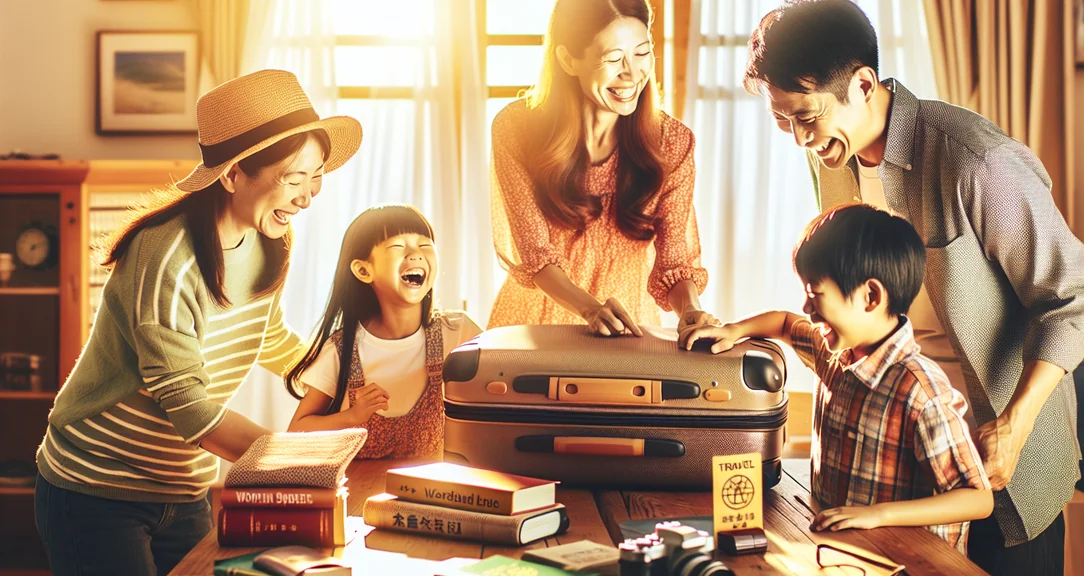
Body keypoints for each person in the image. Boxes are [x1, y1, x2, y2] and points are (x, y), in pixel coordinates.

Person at [742, 1, 1084, 573]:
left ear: (863, 84)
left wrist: (1015, 423)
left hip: (997, 453)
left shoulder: (977, 161)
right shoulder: (830, 154)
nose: (799, 140)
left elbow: (1073, 300)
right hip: (894, 450)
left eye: (805, 117)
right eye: (784, 120)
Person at [33, 69, 362, 576]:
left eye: (315, 176)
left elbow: (268, 336)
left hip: (183, 486)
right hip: (96, 488)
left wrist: (345, 376)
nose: (307, 197)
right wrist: (295, 462)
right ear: (232, 175)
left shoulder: (270, 238)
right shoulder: (166, 257)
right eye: (294, 179)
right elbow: (190, 407)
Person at [682, 204, 992, 553]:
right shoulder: (832, 351)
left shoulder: (921, 391)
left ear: (870, 296)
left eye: (815, 295)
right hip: (841, 551)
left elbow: (977, 499)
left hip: (905, 556)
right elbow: (785, 323)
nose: (806, 308)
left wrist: (877, 515)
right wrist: (734, 330)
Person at [489, 0, 715, 341]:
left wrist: (691, 309)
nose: (632, 73)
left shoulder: (673, 144)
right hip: (534, 329)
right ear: (568, 59)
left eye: (642, 53)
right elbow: (534, 254)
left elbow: (674, 261)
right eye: (613, 59)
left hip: (626, 330)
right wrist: (589, 309)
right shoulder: (516, 129)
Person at [286, 204, 482, 462]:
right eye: (398, 247)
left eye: (424, 245)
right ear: (364, 271)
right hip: (357, 496)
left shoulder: (458, 332)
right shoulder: (342, 349)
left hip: (433, 494)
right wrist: (351, 417)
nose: (415, 255)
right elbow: (296, 431)